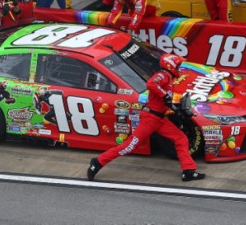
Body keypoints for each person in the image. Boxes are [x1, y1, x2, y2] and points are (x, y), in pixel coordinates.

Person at [87, 53, 206, 182]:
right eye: (178, 65)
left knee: (181, 138)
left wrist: (178, 109)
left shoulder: (170, 79)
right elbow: (151, 84)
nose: (179, 68)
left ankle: (188, 171)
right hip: (150, 118)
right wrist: (165, 95)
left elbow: (164, 101)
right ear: (170, 65)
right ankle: (97, 162)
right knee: (129, 146)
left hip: (159, 119)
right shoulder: (163, 75)